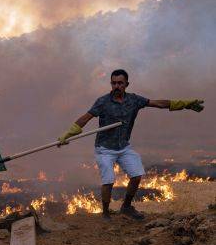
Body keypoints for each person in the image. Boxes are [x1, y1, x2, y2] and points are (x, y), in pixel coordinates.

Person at [58, 69, 204, 221]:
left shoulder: (134, 100)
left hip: (123, 147)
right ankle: (106, 212)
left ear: (126, 84)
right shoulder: (103, 102)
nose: (116, 86)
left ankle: (126, 207)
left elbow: (158, 103)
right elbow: (85, 118)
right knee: (108, 180)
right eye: (113, 83)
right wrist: (68, 133)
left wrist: (184, 104)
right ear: (111, 84)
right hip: (105, 149)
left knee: (136, 175)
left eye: (120, 83)